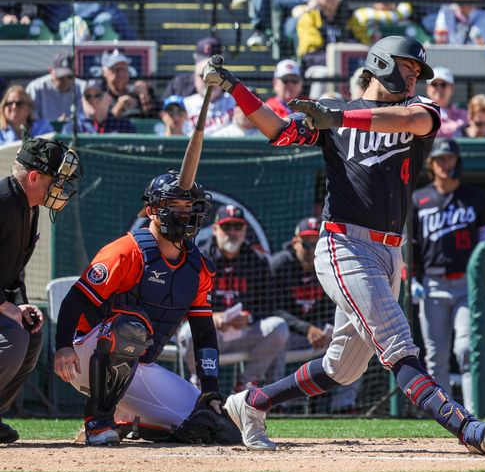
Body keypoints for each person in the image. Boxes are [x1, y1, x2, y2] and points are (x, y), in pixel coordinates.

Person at [202, 35, 485, 453]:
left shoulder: (419, 111)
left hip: (388, 251)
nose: (414, 77)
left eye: (417, 71)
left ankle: (252, 403)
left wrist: (339, 118)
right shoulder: (334, 113)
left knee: (341, 369)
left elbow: (409, 121)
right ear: (380, 64)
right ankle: (464, 427)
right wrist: (234, 86)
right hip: (344, 245)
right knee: (399, 343)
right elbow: (275, 129)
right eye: (407, 68)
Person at [53, 171, 240, 446]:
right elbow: (75, 298)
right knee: (131, 327)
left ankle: (131, 423)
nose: (183, 213)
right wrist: (63, 345)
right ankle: (99, 422)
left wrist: (210, 391)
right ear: (152, 211)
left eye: (188, 206)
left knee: (217, 429)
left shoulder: (198, 267)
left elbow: (203, 332)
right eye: (174, 205)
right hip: (87, 356)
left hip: (140, 366)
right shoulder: (126, 251)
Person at [411, 138, 485, 413]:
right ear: (431, 164)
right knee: (436, 356)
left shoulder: (476, 198)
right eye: (439, 159)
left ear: (457, 162)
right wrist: (411, 279)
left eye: (449, 159)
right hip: (432, 284)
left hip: (467, 284)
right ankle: (444, 414)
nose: (444, 164)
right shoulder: (418, 199)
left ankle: (472, 415)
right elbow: (409, 246)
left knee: (466, 349)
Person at [0, 137, 81, 444]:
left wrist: (20, 304)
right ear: (33, 176)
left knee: (31, 332)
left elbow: (13, 269)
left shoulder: (27, 205)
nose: (61, 186)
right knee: (14, 337)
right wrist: (4, 306)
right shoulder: (3, 202)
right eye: (55, 179)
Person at [181, 205, 290, 388]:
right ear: (215, 229)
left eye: (237, 227)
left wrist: (249, 316)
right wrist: (210, 316)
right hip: (210, 332)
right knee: (187, 332)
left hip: (244, 332)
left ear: (245, 230)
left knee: (279, 328)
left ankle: (246, 384)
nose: (232, 232)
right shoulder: (200, 257)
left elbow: (270, 303)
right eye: (226, 227)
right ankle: (200, 383)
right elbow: (184, 299)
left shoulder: (258, 260)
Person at [270, 216, 361, 413]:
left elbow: (338, 304)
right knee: (276, 331)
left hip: (319, 334)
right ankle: (276, 404)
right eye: (306, 244)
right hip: (290, 335)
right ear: (295, 243)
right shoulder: (279, 264)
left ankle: (343, 406)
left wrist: (324, 330)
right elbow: (270, 309)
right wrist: (306, 329)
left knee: (354, 340)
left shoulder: (330, 265)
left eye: (316, 243)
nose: (311, 250)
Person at [25, 52, 86, 123]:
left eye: (69, 76)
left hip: (74, 132)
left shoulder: (82, 87)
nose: (65, 81)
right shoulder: (36, 88)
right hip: (43, 133)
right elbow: (31, 122)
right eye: (61, 77)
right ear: (51, 71)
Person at [62, 79, 137, 135]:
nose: (92, 100)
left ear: (108, 99)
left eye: (97, 95)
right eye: (88, 96)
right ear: (82, 101)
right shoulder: (73, 126)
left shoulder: (123, 125)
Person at [100, 49, 158, 119]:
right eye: (117, 70)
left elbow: (157, 120)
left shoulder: (139, 92)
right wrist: (118, 108)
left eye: (124, 69)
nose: (121, 74)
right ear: (104, 72)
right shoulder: (98, 95)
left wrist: (145, 98)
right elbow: (98, 125)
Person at [185, 57, 236, 136]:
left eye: (214, 76)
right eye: (203, 76)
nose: (208, 81)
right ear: (195, 79)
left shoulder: (234, 102)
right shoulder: (185, 104)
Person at [426, 67, 467, 138]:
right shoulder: (421, 111)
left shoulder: (463, 114)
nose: (439, 88)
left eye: (443, 84)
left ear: (452, 88)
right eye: (434, 84)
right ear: (427, 88)